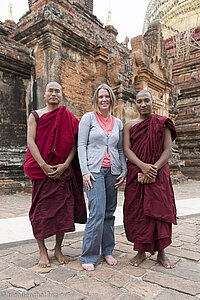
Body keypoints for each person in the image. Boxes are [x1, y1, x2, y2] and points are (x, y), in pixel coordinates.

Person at [24, 82, 87, 268]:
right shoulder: (35, 115)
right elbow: (30, 141)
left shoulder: (68, 117)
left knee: (63, 211)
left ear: (61, 95)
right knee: (40, 212)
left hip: (61, 171)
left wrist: (65, 165)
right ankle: (42, 250)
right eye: (50, 91)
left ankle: (58, 248)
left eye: (57, 91)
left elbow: (74, 144)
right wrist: (43, 165)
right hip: (41, 170)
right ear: (45, 94)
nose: (53, 94)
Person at [123, 90, 177, 269]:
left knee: (160, 211)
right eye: (139, 101)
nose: (143, 104)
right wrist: (143, 166)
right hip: (137, 174)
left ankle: (162, 253)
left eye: (147, 100)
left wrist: (153, 168)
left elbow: (167, 150)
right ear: (135, 104)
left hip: (158, 173)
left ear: (153, 102)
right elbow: (127, 150)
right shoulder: (130, 125)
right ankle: (141, 252)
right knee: (138, 212)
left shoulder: (162, 123)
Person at [78, 83, 127, 271]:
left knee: (109, 213)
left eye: (107, 96)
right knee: (97, 212)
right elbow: (81, 145)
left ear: (112, 99)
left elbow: (120, 148)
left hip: (113, 172)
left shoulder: (118, 123)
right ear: (96, 100)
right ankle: (89, 255)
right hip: (94, 172)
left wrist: (124, 170)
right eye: (101, 97)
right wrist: (84, 171)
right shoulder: (88, 118)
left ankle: (107, 250)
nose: (104, 99)